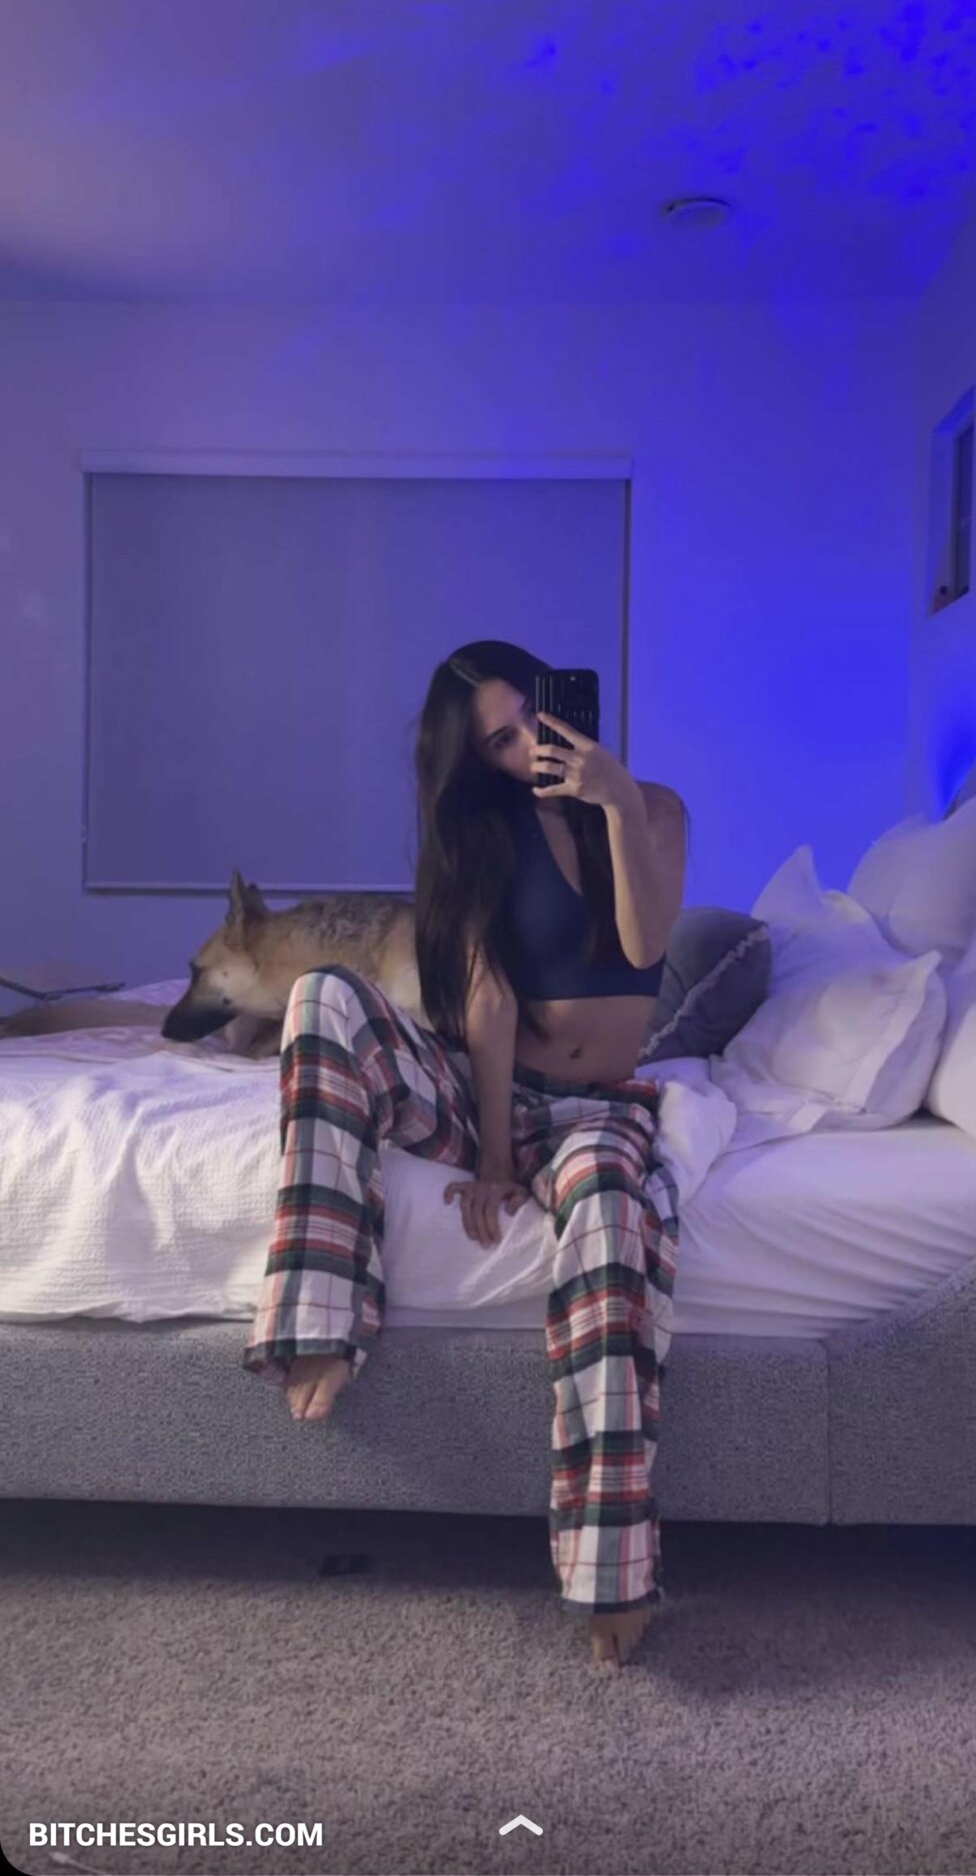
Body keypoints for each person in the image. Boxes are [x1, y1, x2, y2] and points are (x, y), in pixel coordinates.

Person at [242, 638, 690, 1669]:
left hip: (599, 1109)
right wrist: (491, 1155)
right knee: (322, 996)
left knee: (610, 1211)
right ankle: (319, 1307)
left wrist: (616, 800)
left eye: (532, 714)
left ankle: (611, 1561)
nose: (528, 743)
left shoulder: (655, 808)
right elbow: (486, 998)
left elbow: (643, 943)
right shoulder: (487, 836)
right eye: (499, 741)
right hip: (497, 1088)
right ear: (480, 760)